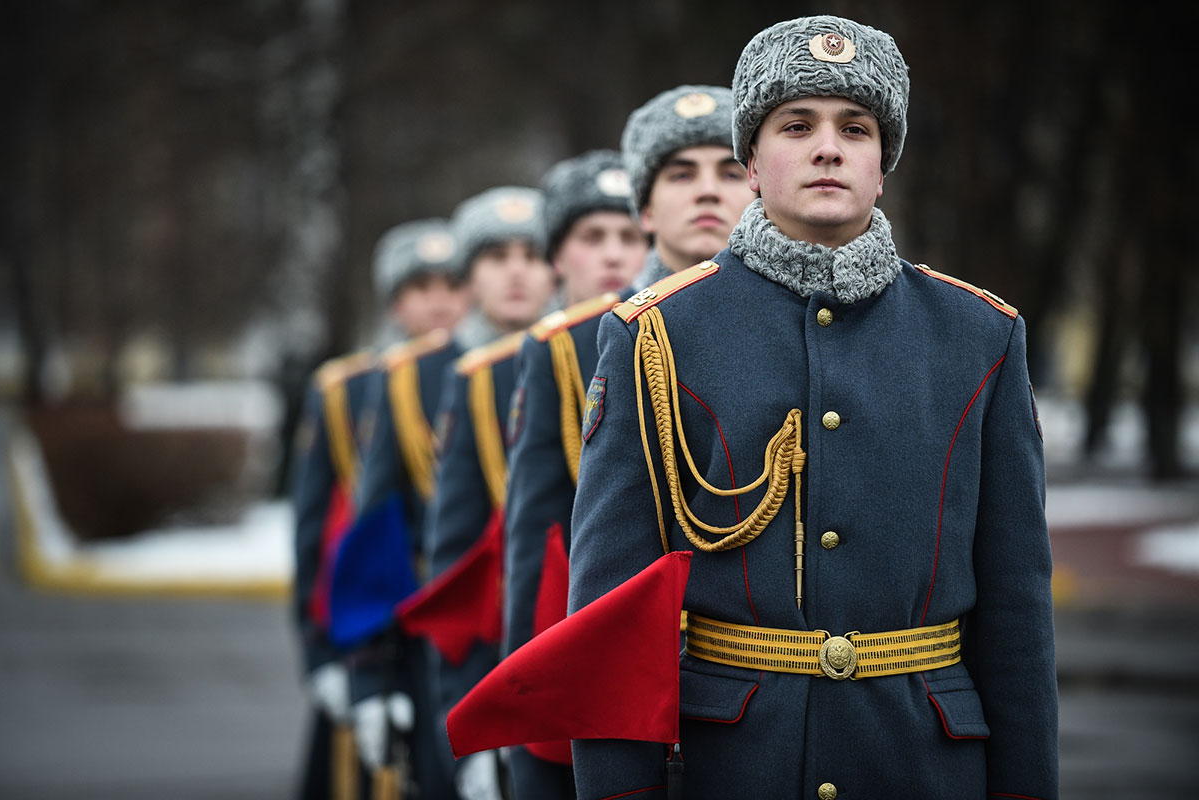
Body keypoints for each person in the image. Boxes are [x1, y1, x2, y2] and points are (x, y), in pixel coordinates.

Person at [566, 15, 1058, 799]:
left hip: (924, 763)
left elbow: (1017, 612)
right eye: (797, 124)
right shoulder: (655, 335)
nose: (829, 147)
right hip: (733, 766)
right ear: (752, 163)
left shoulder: (979, 336)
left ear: (883, 165)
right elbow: (611, 619)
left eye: (855, 128)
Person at [501, 92, 754, 799]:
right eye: (679, 173)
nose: (707, 188)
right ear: (644, 211)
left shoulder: (810, 329)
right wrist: (529, 737)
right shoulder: (571, 347)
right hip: (628, 705)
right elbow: (539, 557)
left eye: (728, 170)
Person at [292, 216, 465, 800]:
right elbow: (318, 525)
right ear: (394, 303)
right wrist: (319, 649)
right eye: (421, 287)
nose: (440, 301)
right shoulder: (348, 386)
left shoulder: (485, 372)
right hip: (372, 612)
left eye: (451, 284)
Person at [414, 185, 556, 799]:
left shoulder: (599, 347)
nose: (518, 272)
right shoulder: (448, 379)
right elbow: (455, 560)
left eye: (532, 253)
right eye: (497, 257)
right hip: (490, 642)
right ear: (469, 275)